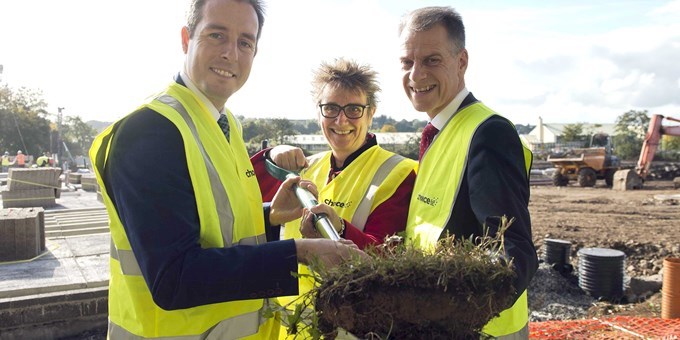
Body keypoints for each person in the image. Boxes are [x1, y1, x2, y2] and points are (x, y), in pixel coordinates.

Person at [88, 1, 364, 339]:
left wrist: (271, 215)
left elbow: (211, 225)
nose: (230, 54)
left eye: (245, 42)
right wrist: (299, 253)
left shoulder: (224, 123)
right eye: (216, 35)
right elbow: (173, 278)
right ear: (186, 39)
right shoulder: (151, 131)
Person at [398, 7, 538, 339]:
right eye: (406, 62)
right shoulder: (442, 132)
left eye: (432, 60)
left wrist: (453, 321)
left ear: (461, 62)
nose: (416, 75)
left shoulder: (487, 132)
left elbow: (513, 253)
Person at [251, 58, 417, 337]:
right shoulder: (306, 166)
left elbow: (387, 259)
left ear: (370, 113)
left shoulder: (397, 173)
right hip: (289, 328)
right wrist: (272, 154)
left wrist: (339, 228)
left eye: (354, 109)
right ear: (319, 113)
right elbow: (240, 199)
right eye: (331, 109)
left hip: (352, 330)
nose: (342, 120)